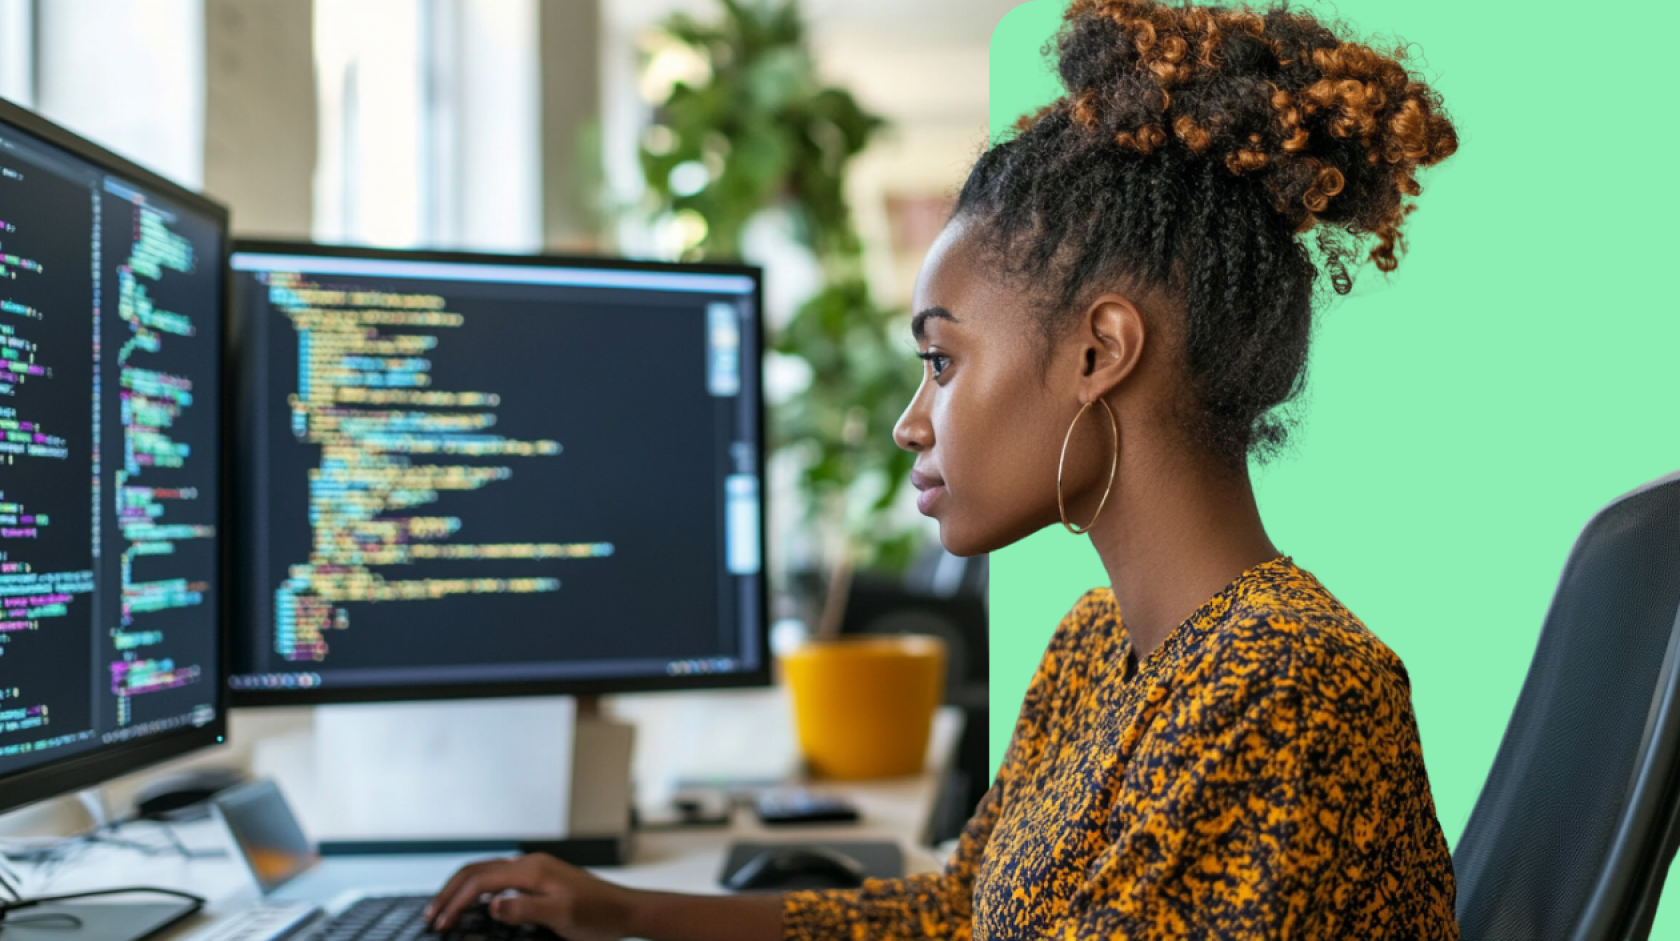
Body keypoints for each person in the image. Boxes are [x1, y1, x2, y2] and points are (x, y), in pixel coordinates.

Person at [426, 0, 1462, 937]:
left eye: (941, 361)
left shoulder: (1289, 684)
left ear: (1099, 351)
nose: (909, 423)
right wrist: (622, 907)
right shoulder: (1098, 647)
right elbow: (959, 906)